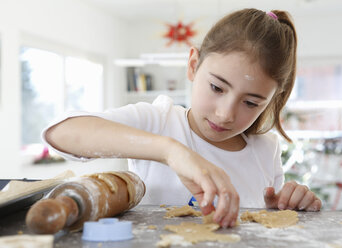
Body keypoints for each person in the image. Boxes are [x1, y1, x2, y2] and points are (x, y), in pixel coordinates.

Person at [43, 8, 322, 228]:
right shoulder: (158, 121)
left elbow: (258, 227)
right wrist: (171, 151)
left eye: (251, 102)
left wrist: (281, 212)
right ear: (193, 65)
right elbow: (61, 135)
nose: (225, 114)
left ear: (270, 101)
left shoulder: (266, 150)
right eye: (216, 87)